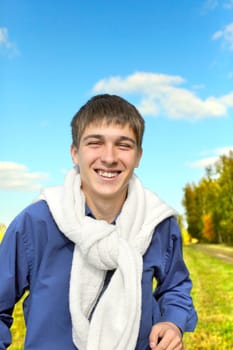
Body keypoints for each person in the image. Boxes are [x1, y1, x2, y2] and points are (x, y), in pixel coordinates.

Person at [0, 94, 197, 350]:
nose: (109, 157)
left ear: (138, 156)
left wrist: (172, 322)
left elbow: (176, 285)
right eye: (95, 143)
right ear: (74, 153)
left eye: (124, 145)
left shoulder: (157, 223)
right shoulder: (35, 223)